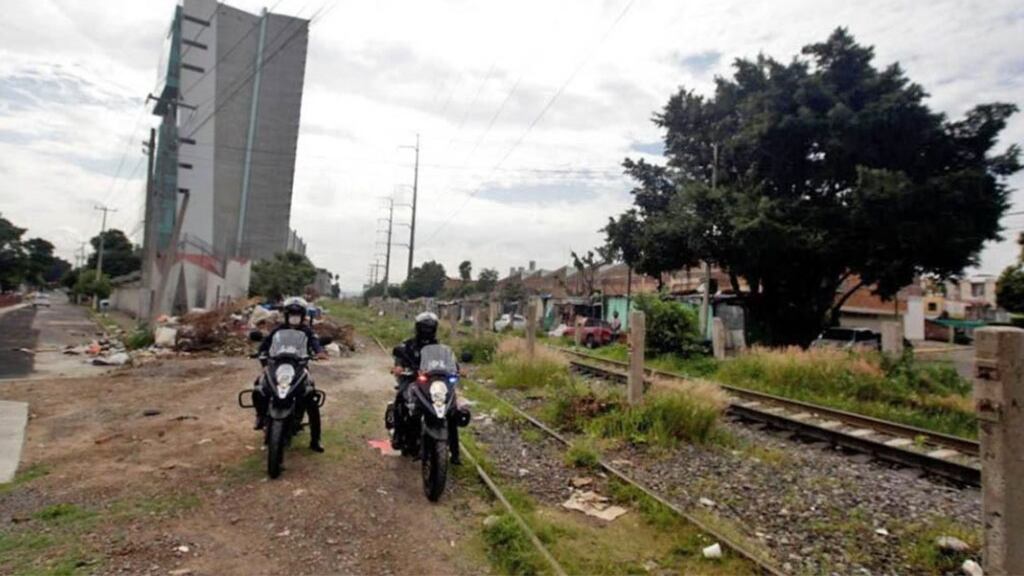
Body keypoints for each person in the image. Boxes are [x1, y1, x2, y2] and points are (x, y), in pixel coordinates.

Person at [252, 297, 328, 453]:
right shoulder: (278, 330)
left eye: (297, 314)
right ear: (286, 315)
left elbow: (315, 343)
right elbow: (266, 343)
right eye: (292, 314)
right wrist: (259, 352)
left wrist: (320, 352)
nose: (294, 317)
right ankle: (260, 415)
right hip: (277, 365)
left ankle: (315, 439)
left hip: (299, 367)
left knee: (311, 397)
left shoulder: (307, 331)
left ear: (303, 316)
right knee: (259, 386)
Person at [391, 312, 462, 465]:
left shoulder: (440, 348)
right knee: (401, 400)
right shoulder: (408, 345)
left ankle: (455, 452)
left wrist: (456, 369)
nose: (427, 331)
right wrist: (399, 367)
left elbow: (451, 363)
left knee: (452, 410)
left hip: (435, 382)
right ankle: (398, 435)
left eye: (430, 328)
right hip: (412, 379)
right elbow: (399, 359)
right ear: (418, 328)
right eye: (424, 327)